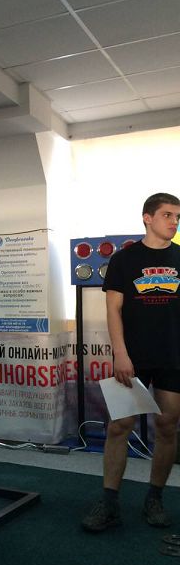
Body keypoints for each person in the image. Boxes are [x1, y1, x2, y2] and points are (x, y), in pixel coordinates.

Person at [82, 192, 180, 532]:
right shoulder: (124, 259)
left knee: (167, 426)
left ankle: (155, 497)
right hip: (132, 357)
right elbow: (113, 309)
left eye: (177, 217)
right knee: (119, 426)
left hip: (173, 357)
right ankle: (109, 502)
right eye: (167, 215)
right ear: (147, 218)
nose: (174, 222)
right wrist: (121, 354)